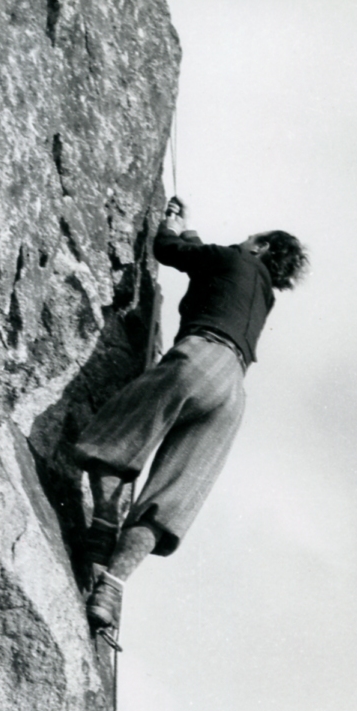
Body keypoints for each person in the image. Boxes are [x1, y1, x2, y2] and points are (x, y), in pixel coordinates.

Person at [72, 197, 308, 635]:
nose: (243, 241)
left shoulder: (231, 259)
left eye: (250, 238)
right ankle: (113, 586)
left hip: (200, 356)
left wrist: (172, 225)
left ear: (258, 248)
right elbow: (210, 260)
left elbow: (170, 251)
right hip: (232, 393)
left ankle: (103, 524)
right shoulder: (264, 295)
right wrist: (192, 230)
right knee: (171, 495)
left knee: (117, 434)